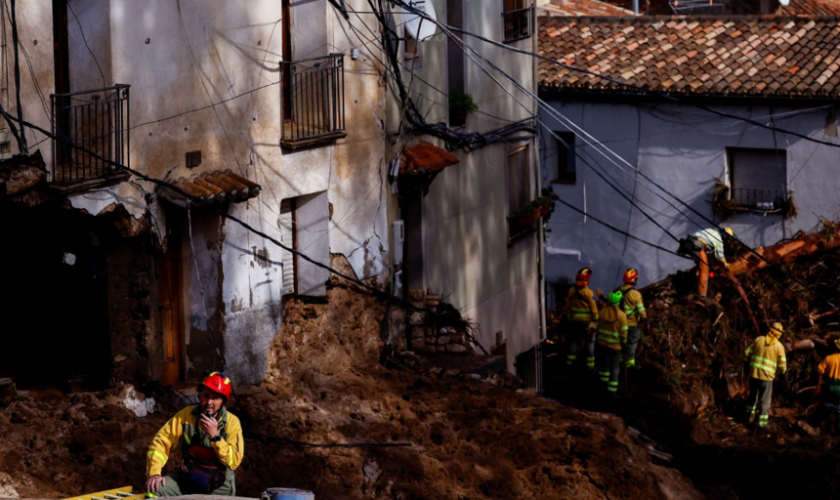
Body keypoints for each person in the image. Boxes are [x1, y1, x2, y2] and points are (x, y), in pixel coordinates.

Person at [145, 372, 244, 497]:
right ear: (200, 394)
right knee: (154, 490)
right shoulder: (186, 415)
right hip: (188, 477)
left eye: (215, 398)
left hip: (219, 485)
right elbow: (161, 442)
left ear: (223, 401)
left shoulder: (232, 423)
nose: (209, 402)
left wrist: (215, 437)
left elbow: (233, 461)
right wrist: (154, 473)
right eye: (206, 395)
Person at [744, 323, 787, 428]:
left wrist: (746, 365)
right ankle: (762, 423)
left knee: (752, 396)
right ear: (779, 334)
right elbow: (782, 365)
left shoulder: (759, 340)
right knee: (765, 399)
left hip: (754, 374)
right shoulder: (779, 346)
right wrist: (782, 372)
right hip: (767, 377)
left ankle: (748, 417)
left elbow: (746, 353)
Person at [679, 226, 734, 297]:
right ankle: (702, 295)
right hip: (698, 244)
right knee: (704, 267)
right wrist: (725, 264)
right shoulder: (719, 240)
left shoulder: (711, 230)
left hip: (690, 240)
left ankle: (696, 278)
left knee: (700, 264)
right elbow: (719, 257)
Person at [563, 267, 599, 369]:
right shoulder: (588, 292)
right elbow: (594, 308)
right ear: (587, 280)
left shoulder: (571, 291)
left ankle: (570, 362)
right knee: (590, 342)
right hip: (587, 323)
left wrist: (570, 319)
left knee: (573, 341)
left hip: (574, 322)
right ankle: (590, 364)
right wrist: (596, 320)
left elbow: (568, 307)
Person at [596, 290, 628, 397]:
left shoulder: (602, 312)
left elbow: (598, 327)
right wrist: (624, 345)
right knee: (614, 368)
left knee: (604, 366)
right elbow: (624, 334)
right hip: (615, 348)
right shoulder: (622, 316)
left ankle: (602, 386)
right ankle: (612, 391)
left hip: (602, 345)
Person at [616, 269, 647, 369]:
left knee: (621, 342)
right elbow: (641, 310)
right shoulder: (636, 294)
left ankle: (620, 361)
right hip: (632, 324)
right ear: (634, 280)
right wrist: (644, 318)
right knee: (632, 343)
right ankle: (629, 364)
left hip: (619, 323)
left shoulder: (617, 291)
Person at [816, 338, 840, 434]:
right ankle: (838, 431)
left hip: (829, 386)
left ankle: (822, 428)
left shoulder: (829, 358)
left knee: (826, 405)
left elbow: (819, 370)